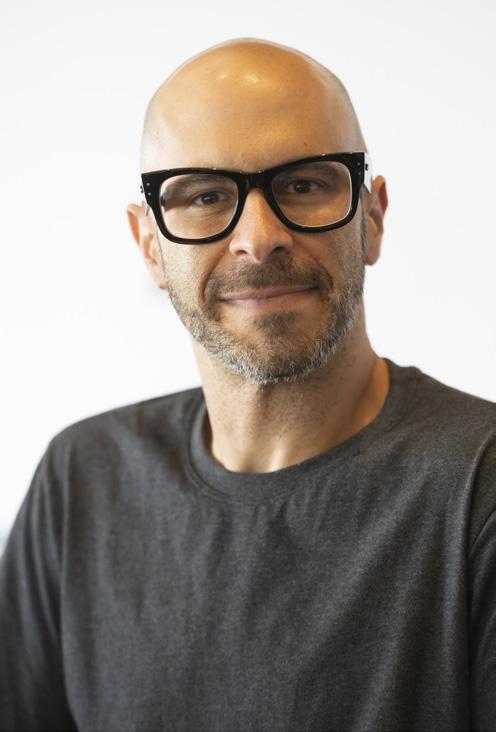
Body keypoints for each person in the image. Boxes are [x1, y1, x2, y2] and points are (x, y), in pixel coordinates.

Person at [0, 37, 495, 732]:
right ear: (149, 245)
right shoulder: (82, 480)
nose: (259, 239)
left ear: (372, 218)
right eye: (205, 195)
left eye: (304, 184)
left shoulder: (478, 487)